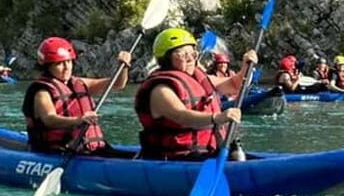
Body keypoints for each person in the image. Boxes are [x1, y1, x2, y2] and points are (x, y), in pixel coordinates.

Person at [134, 28, 257, 161]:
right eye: (183, 55)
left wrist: (246, 67)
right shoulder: (161, 89)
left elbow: (234, 85)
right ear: (166, 58)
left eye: (193, 54)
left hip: (205, 152)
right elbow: (181, 116)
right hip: (172, 157)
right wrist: (217, 117)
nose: (190, 59)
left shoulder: (200, 79)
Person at [21, 36, 131, 155]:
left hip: (88, 148)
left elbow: (118, 84)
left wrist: (124, 66)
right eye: (59, 64)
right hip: (59, 150)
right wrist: (78, 120)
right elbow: (49, 119)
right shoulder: (42, 91)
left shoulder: (80, 83)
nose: (66, 68)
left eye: (68, 61)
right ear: (47, 66)